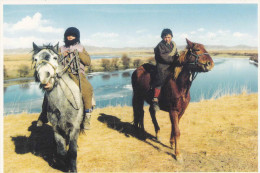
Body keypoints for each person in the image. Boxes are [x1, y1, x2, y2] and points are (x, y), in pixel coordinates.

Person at [37, 27, 94, 130]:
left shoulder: (81, 48)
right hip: (61, 75)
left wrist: (78, 53)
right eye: (68, 35)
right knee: (48, 89)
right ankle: (43, 115)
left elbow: (88, 62)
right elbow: (54, 60)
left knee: (87, 89)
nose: (70, 37)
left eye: (72, 35)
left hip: (77, 75)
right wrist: (62, 54)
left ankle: (87, 117)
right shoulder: (61, 48)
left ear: (76, 37)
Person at [152, 28, 179, 111]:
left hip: (172, 65)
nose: (167, 39)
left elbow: (176, 54)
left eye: (169, 37)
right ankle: (155, 99)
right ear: (162, 37)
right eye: (165, 37)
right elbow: (164, 57)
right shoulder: (160, 46)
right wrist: (174, 59)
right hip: (162, 66)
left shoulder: (173, 45)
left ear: (171, 37)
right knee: (160, 80)